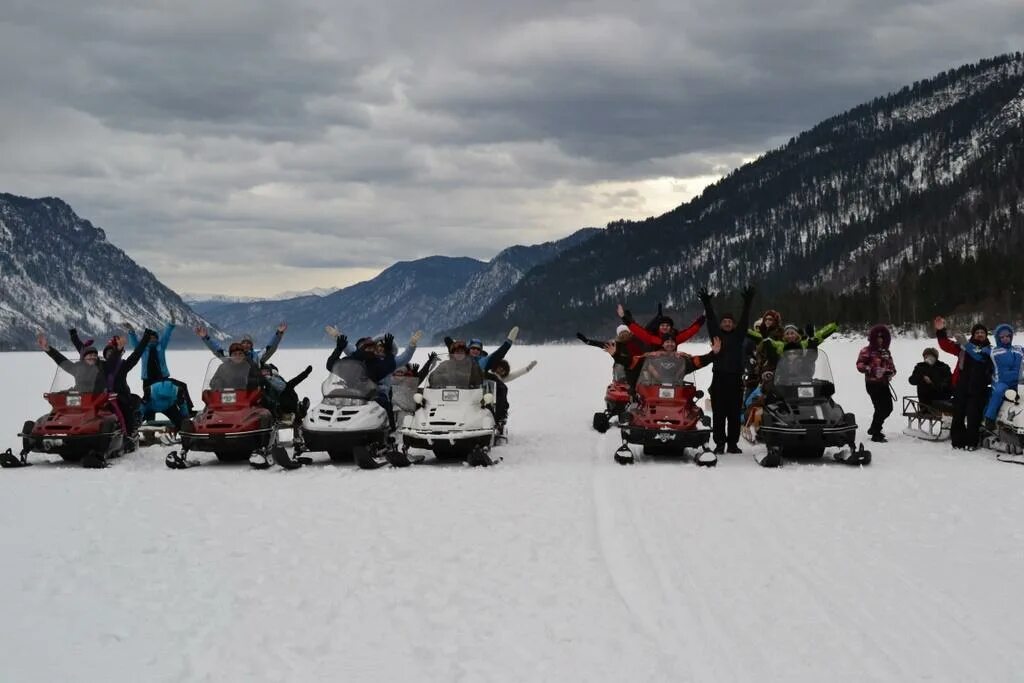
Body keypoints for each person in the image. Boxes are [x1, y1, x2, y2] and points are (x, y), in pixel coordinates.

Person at [698, 284, 755, 454]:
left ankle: (732, 444)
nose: (727, 324)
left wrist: (748, 303)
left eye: (730, 322)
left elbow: (745, 320)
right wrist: (707, 304)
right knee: (719, 414)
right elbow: (711, 321)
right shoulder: (717, 336)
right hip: (719, 379)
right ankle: (720, 443)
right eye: (725, 322)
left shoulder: (738, 336)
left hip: (736, 379)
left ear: (734, 325)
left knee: (734, 414)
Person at [122, 314, 195, 425]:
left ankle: (187, 412)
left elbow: (166, 335)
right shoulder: (143, 349)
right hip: (148, 380)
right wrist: (131, 331)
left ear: (157, 339)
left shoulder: (160, 347)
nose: (152, 340)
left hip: (163, 379)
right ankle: (150, 424)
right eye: (150, 338)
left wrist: (171, 324)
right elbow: (135, 343)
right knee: (150, 402)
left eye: (154, 338)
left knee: (180, 388)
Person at [935, 317, 991, 449]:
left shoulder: (989, 349)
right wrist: (940, 331)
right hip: (962, 384)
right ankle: (958, 441)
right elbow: (946, 345)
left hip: (979, 387)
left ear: (986, 335)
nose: (980, 334)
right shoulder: (963, 347)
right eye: (977, 332)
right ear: (973, 334)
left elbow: (979, 355)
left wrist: (966, 344)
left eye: (982, 332)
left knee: (973, 416)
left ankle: (972, 442)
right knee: (958, 415)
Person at [325, 330, 398, 423]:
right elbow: (331, 365)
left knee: (384, 403)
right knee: (330, 402)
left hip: (370, 396)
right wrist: (338, 349)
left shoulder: (375, 364)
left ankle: (390, 430)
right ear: (360, 349)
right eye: (367, 347)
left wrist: (388, 352)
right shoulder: (350, 362)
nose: (369, 350)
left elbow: (390, 366)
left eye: (372, 348)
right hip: (348, 395)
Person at [962, 324, 1023, 430]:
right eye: (1002, 337)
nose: (1005, 338)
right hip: (1001, 382)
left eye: (1007, 336)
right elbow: (977, 352)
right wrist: (966, 344)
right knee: (999, 391)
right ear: (998, 338)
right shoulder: (993, 351)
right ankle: (989, 418)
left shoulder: (1018, 349)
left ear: (1011, 336)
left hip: (1018, 382)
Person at [856, 324, 896, 442]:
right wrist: (871, 369)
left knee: (888, 408)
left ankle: (874, 428)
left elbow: (892, 367)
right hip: (872, 384)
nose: (880, 340)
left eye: (882, 337)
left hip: (884, 383)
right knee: (880, 408)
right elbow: (859, 365)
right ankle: (876, 432)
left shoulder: (886, 352)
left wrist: (890, 372)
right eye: (878, 337)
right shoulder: (866, 351)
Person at [578, 325, 647, 389]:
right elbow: (601, 344)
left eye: (625, 332)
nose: (624, 335)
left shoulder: (636, 342)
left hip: (638, 369)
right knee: (620, 366)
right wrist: (587, 341)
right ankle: (620, 383)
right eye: (621, 333)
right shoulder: (617, 345)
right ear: (619, 335)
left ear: (629, 333)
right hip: (622, 372)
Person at [615, 303, 705, 349]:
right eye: (662, 325)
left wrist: (703, 317)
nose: (665, 327)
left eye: (667, 325)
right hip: (653, 371)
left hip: (673, 370)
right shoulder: (652, 337)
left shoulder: (675, 338)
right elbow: (638, 331)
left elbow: (691, 331)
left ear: (671, 327)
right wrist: (624, 318)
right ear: (658, 327)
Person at [196, 323, 287, 365]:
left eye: (248, 343)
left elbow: (270, 348)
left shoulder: (257, 356)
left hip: (253, 388)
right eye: (244, 343)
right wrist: (205, 338)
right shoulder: (231, 356)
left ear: (251, 346)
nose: (246, 345)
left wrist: (278, 333)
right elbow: (217, 350)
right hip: (234, 387)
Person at [486, 359, 538, 427]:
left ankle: (499, 419)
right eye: (500, 368)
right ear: (496, 367)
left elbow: (514, 375)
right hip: (483, 398)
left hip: (493, 401)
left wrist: (527, 369)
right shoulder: (488, 373)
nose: (501, 370)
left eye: (503, 370)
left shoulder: (501, 379)